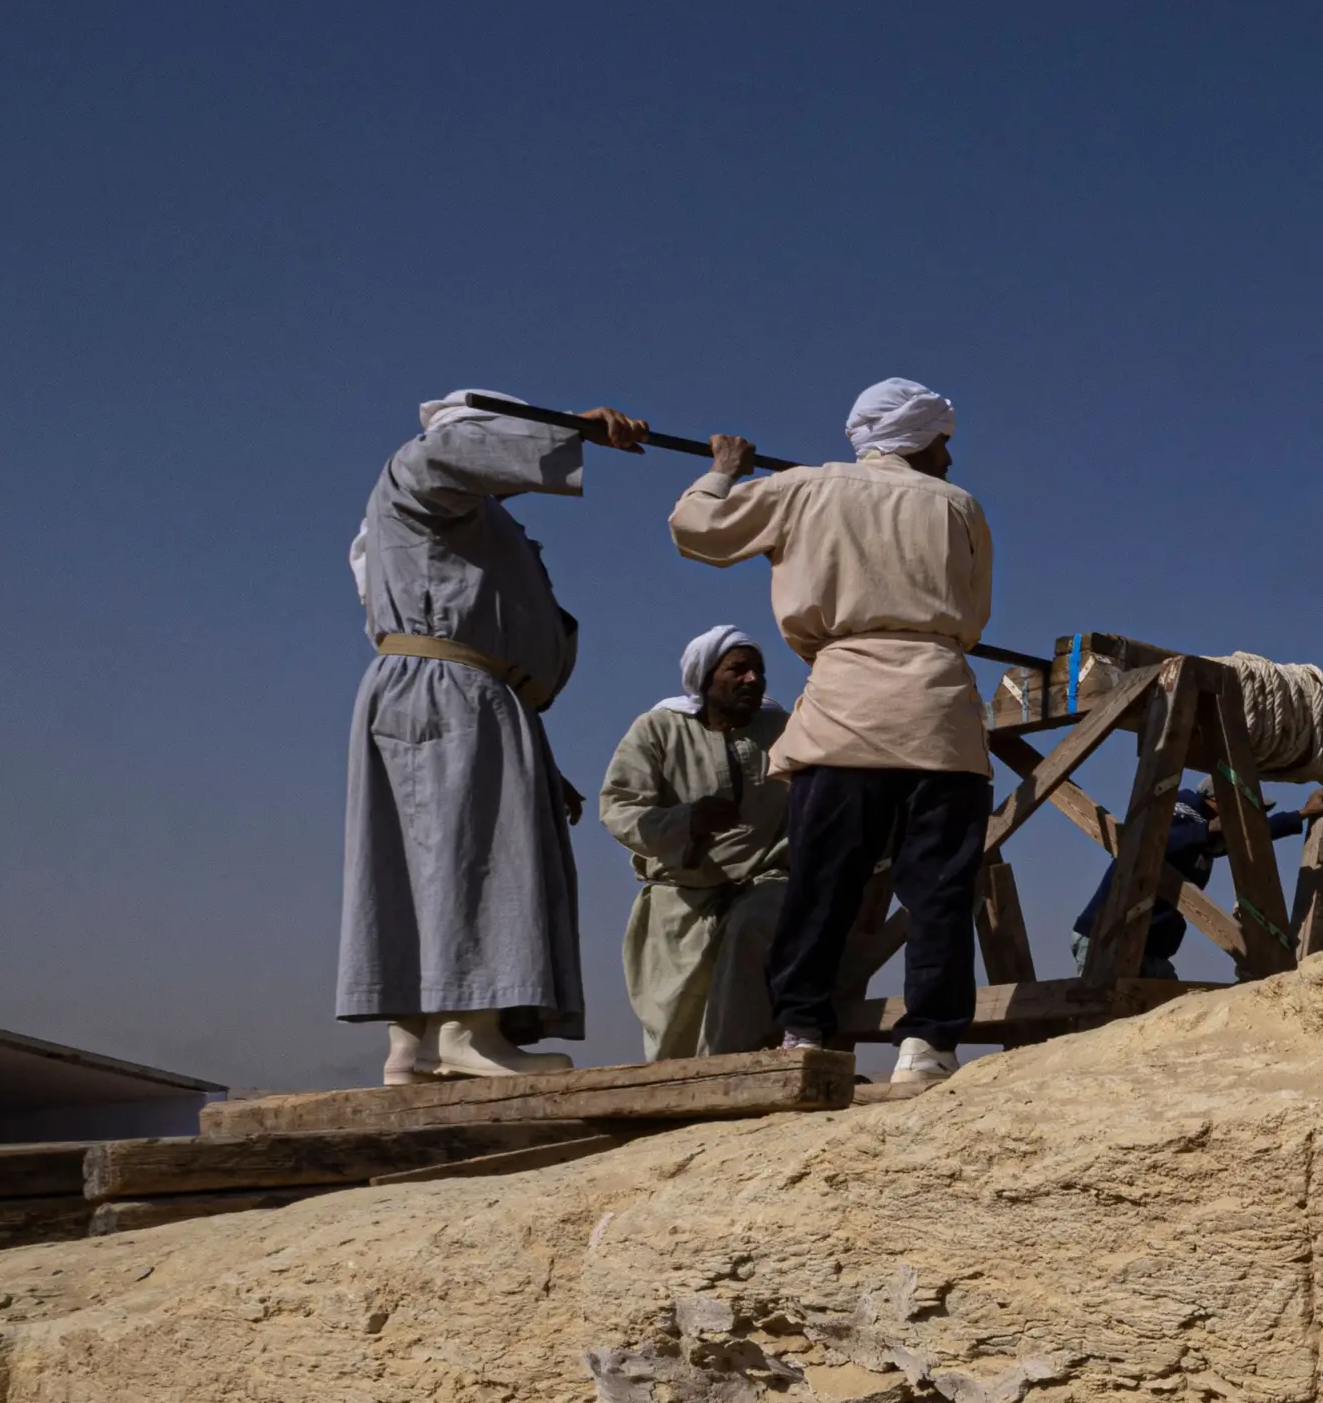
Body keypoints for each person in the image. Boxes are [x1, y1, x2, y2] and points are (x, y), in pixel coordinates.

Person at [666, 378, 995, 1091]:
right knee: (937, 887)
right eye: (943, 441)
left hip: (845, 708)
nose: (949, 456)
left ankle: (803, 1032)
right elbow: (972, 618)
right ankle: (928, 1049)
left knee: (821, 883)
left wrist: (723, 471)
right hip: (938, 710)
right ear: (920, 438)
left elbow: (699, 532)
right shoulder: (959, 507)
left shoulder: (803, 488)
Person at [338, 388, 647, 1082]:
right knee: (467, 855)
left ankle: (414, 1043)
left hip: (467, 697)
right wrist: (571, 428)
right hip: (445, 690)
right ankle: (469, 1032)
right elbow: (444, 454)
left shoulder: (466, 519)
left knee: (433, 858)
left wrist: (538, 758)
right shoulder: (417, 477)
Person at [598, 626, 791, 1059]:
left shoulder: (781, 728)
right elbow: (619, 807)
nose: (753, 680)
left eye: (758, 671)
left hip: (766, 882)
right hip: (679, 895)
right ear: (704, 677)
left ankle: (731, 1072)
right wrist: (688, 821)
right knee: (673, 1027)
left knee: (753, 934)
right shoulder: (658, 729)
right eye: (738, 670)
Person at [1067, 783, 1318, 977]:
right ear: (1218, 802)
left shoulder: (1208, 834)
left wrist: (1303, 814)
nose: (1247, 820)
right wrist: (1207, 830)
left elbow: (1255, 832)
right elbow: (1154, 843)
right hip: (1109, 940)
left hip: (1149, 950)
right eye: (1245, 811)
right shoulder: (1183, 809)